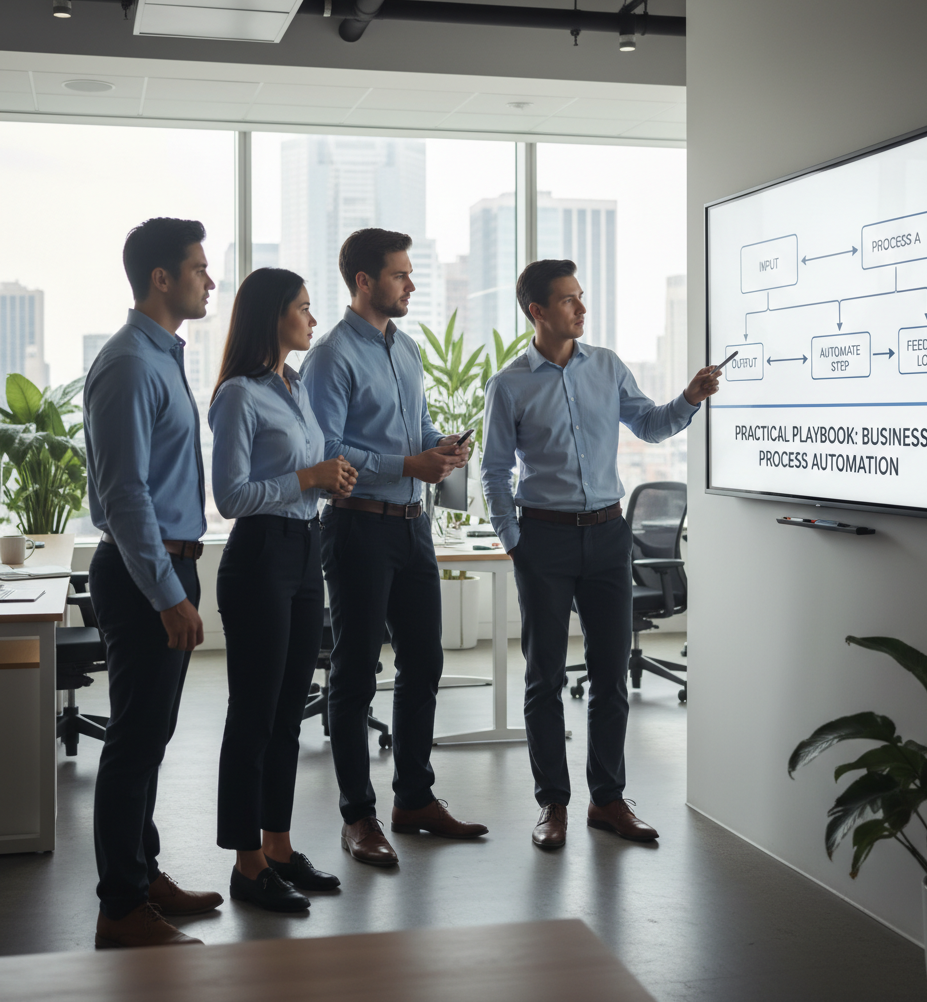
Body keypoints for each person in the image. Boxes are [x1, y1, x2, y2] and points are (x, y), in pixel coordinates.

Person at [480, 259, 720, 851]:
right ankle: (552, 805)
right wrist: (515, 540)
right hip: (545, 540)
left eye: (581, 297)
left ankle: (607, 800)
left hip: (609, 537)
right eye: (568, 300)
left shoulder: (607, 367)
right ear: (537, 311)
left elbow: (652, 425)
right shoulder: (509, 385)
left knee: (611, 674)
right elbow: (493, 470)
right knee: (544, 677)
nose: (581, 309)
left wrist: (689, 398)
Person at [300, 227, 487, 867]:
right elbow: (323, 450)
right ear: (364, 281)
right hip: (357, 527)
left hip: (412, 525)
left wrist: (443, 448)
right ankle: (358, 817)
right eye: (401, 275)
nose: (411, 285)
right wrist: (408, 462)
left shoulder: (404, 349)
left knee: (423, 666)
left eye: (410, 274)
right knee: (354, 676)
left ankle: (413, 799)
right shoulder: (329, 357)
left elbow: (419, 429)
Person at [84, 218, 222, 948]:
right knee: (135, 742)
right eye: (199, 268)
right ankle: (122, 908)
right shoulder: (132, 364)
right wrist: (168, 592)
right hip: (146, 571)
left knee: (152, 737)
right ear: (161, 278)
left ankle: (144, 874)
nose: (209, 279)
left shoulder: (163, 357)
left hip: (171, 562)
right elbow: (127, 494)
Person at [210, 268, 358, 911]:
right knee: (254, 714)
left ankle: (277, 846)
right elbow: (231, 496)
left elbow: (303, 473)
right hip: (260, 554)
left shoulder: (295, 388)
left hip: (303, 553)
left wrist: (331, 480)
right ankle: (246, 867)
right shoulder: (239, 396)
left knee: (289, 714)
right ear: (272, 316)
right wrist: (307, 478)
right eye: (302, 308)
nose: (312, 319)